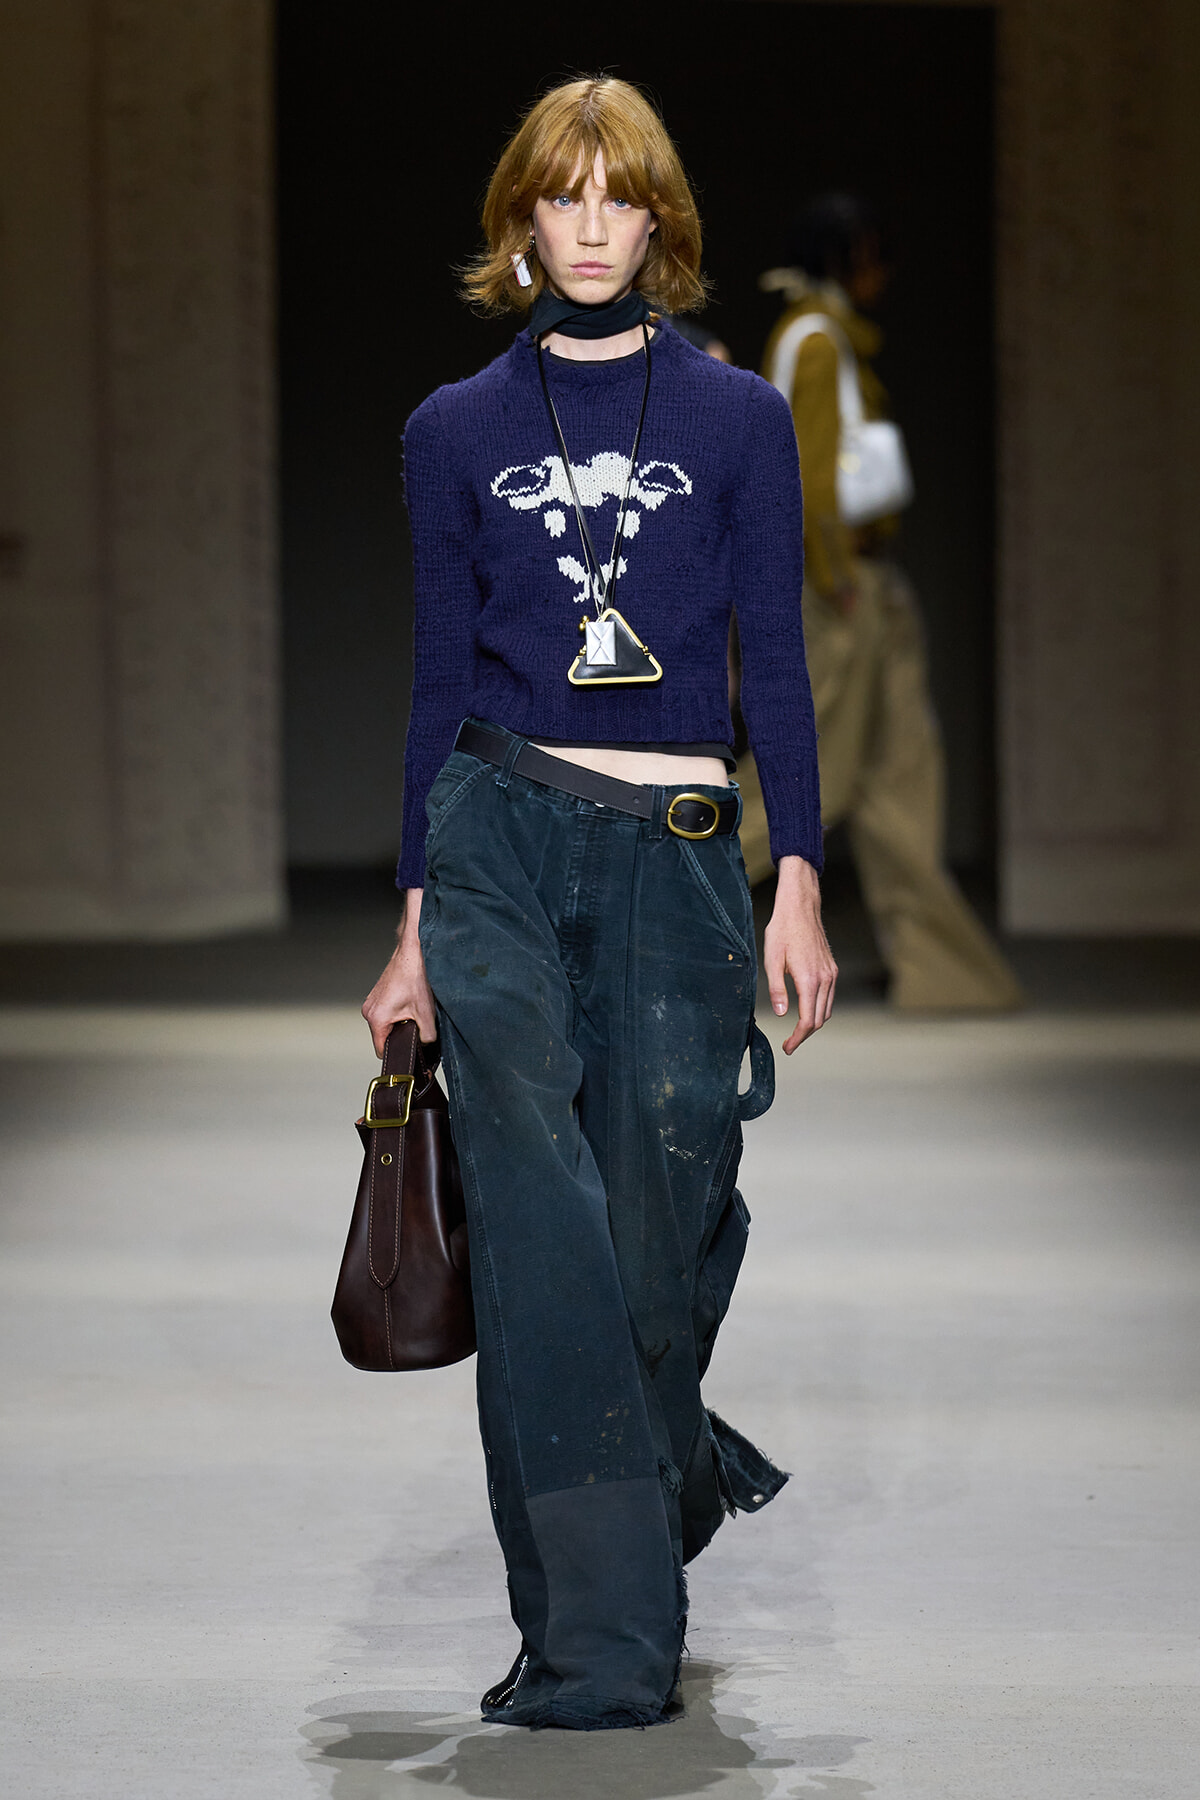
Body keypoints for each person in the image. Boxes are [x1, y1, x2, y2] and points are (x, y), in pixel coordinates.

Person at [362, 77, 836, 1732]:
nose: (584, 225)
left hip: (677, 862)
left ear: (659, 225)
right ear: (516, 224)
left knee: (655, 1252)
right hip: (497, 837)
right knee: (546, 1242)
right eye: (555, 197)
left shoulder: (737, 422)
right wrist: (415, 919)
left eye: (614, 198)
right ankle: (594, 1645)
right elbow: (434, 687)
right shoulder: (451, 431)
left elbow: (770, 658)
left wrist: (802, 878)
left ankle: (671, 1470)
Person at [744, 194, 1023, 1011]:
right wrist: (834, 580)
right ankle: (652, 909)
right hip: (840, 585)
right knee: (805, 775)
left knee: (903, 773)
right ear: (843, 256)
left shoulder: (830, 338)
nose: (882, 271)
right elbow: (808, 472)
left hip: (863, 578)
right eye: (870, 253)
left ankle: (946, 973)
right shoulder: (817, 341)